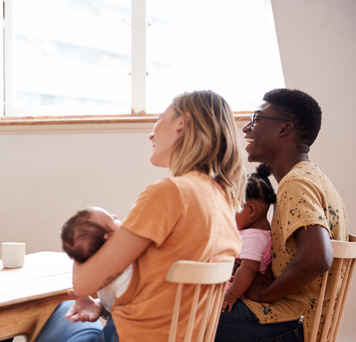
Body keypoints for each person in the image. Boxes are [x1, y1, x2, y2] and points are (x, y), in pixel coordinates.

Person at [36, 90, 245, 342]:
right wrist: (102, 306)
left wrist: (82, 238)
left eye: (159, 118)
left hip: (132, 337)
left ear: (181, 123)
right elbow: (161, 291)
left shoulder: (170, 193)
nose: (151, 133)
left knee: (51, 312)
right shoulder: (222, 201)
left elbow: (81, 285)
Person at [216, 89, 348, 342]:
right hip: (292, 318)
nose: (246, 129)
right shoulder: (311, 177)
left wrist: (265, 295)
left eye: (256, 119)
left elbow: (318, 258)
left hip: (289, 322)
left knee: (170, 310)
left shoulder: (296, 184)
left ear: (285, 128)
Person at [60, 207, 133, 340]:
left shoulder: (96, 274)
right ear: (109, 237)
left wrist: (100, 304)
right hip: (123, 331)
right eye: (112, 219)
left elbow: (114, 303)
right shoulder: (125, 267)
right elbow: (130, 309)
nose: (115, 215)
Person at [222, 163, 276, 312]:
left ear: (251, 210)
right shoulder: (251, 232)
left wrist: (232, 294)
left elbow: (249, 268)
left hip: (237, 293)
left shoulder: (255, 237)